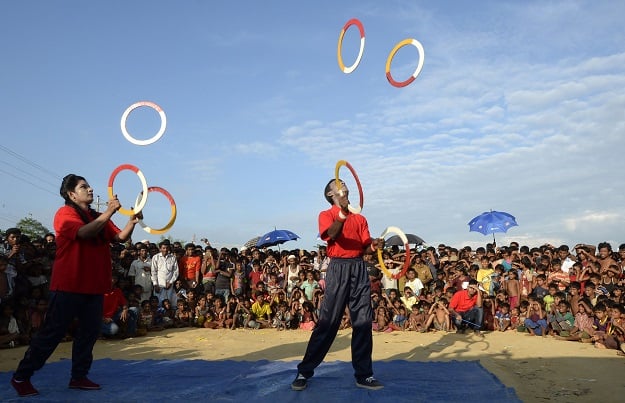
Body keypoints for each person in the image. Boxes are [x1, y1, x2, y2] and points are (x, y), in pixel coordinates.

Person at [11, 174, 141, 397]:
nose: (90, 189)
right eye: (84, 187)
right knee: (52, 334)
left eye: (89, 186)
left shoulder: (97, 216)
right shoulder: (65, 213)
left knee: (88, 334)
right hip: (68, 286)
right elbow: (83, 233)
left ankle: (79, 377)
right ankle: (21, 376)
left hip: (94, 287)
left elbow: (119, 237)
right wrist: (110, 211)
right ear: (72, 194)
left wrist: (132, 221)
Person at [292, 178, 384, 392]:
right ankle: (305, 371)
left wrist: (374, 245)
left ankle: (364, 374)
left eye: (345, 184)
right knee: (329, 322)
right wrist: (342, 213)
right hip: (338, 267)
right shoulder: (326, 215)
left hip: (358, 267)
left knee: (362, 321)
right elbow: (332, 235)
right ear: (331, 194)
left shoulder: (360, 219)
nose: (345, 187)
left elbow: (365, 248)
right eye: (340, 185)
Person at [151, 241, 179, 307]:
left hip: (169, 285)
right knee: (158, 303)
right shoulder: (155, 257)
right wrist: (155, 284)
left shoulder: (172, 258)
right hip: (159, 285)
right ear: (160, 249)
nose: (165, 250)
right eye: (163, 248)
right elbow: (153, 272)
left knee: (168, 303)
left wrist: (171, 282)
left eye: (167, 248)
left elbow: (176, 272)